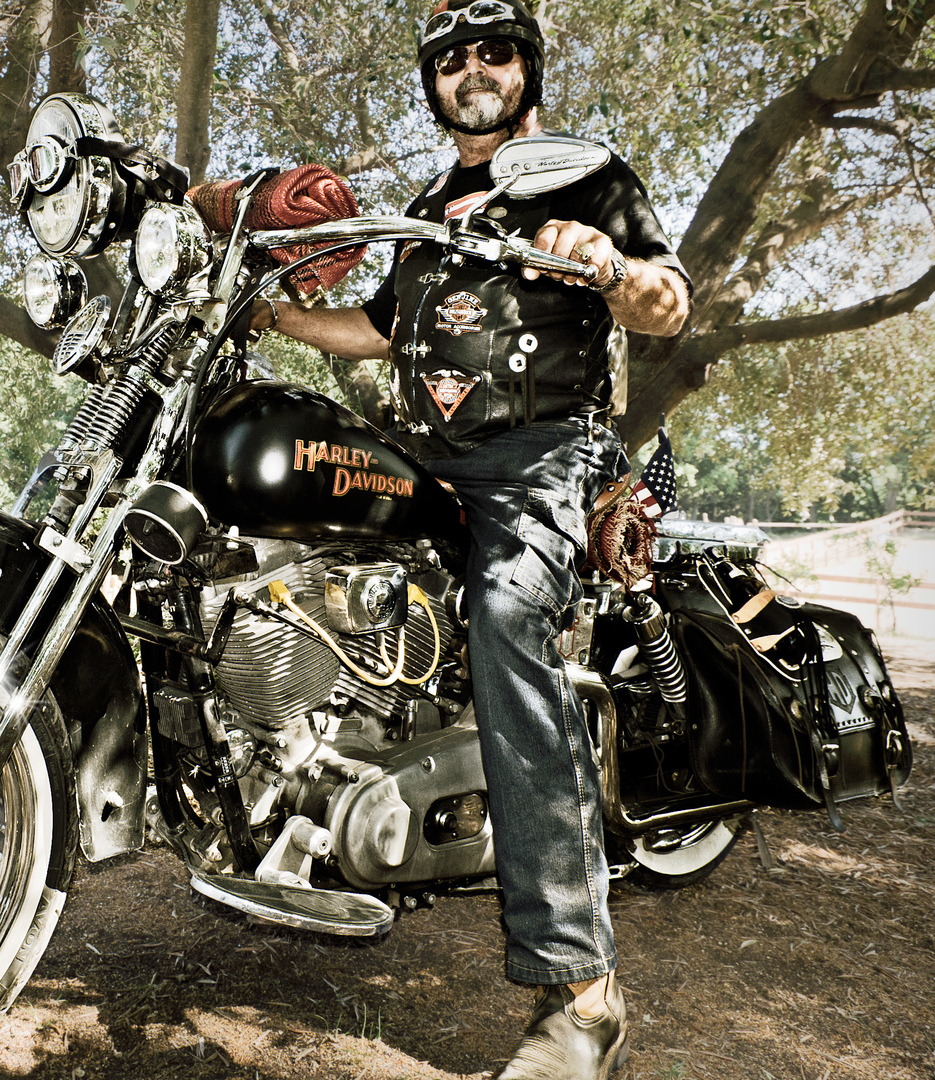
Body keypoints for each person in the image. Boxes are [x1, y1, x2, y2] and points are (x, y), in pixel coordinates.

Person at [250, 2, 689, 1077]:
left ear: (526, 67)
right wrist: (275, 318)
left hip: (543, 457)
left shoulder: (586, 177)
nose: (473, 72)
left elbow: (669, 302)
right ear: (433, 84)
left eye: (495, 53)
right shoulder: (428, 206)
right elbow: (380, 328)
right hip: (430, 452)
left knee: (502, 618)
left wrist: (610, 270)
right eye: (451, 60)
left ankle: (583, 997)